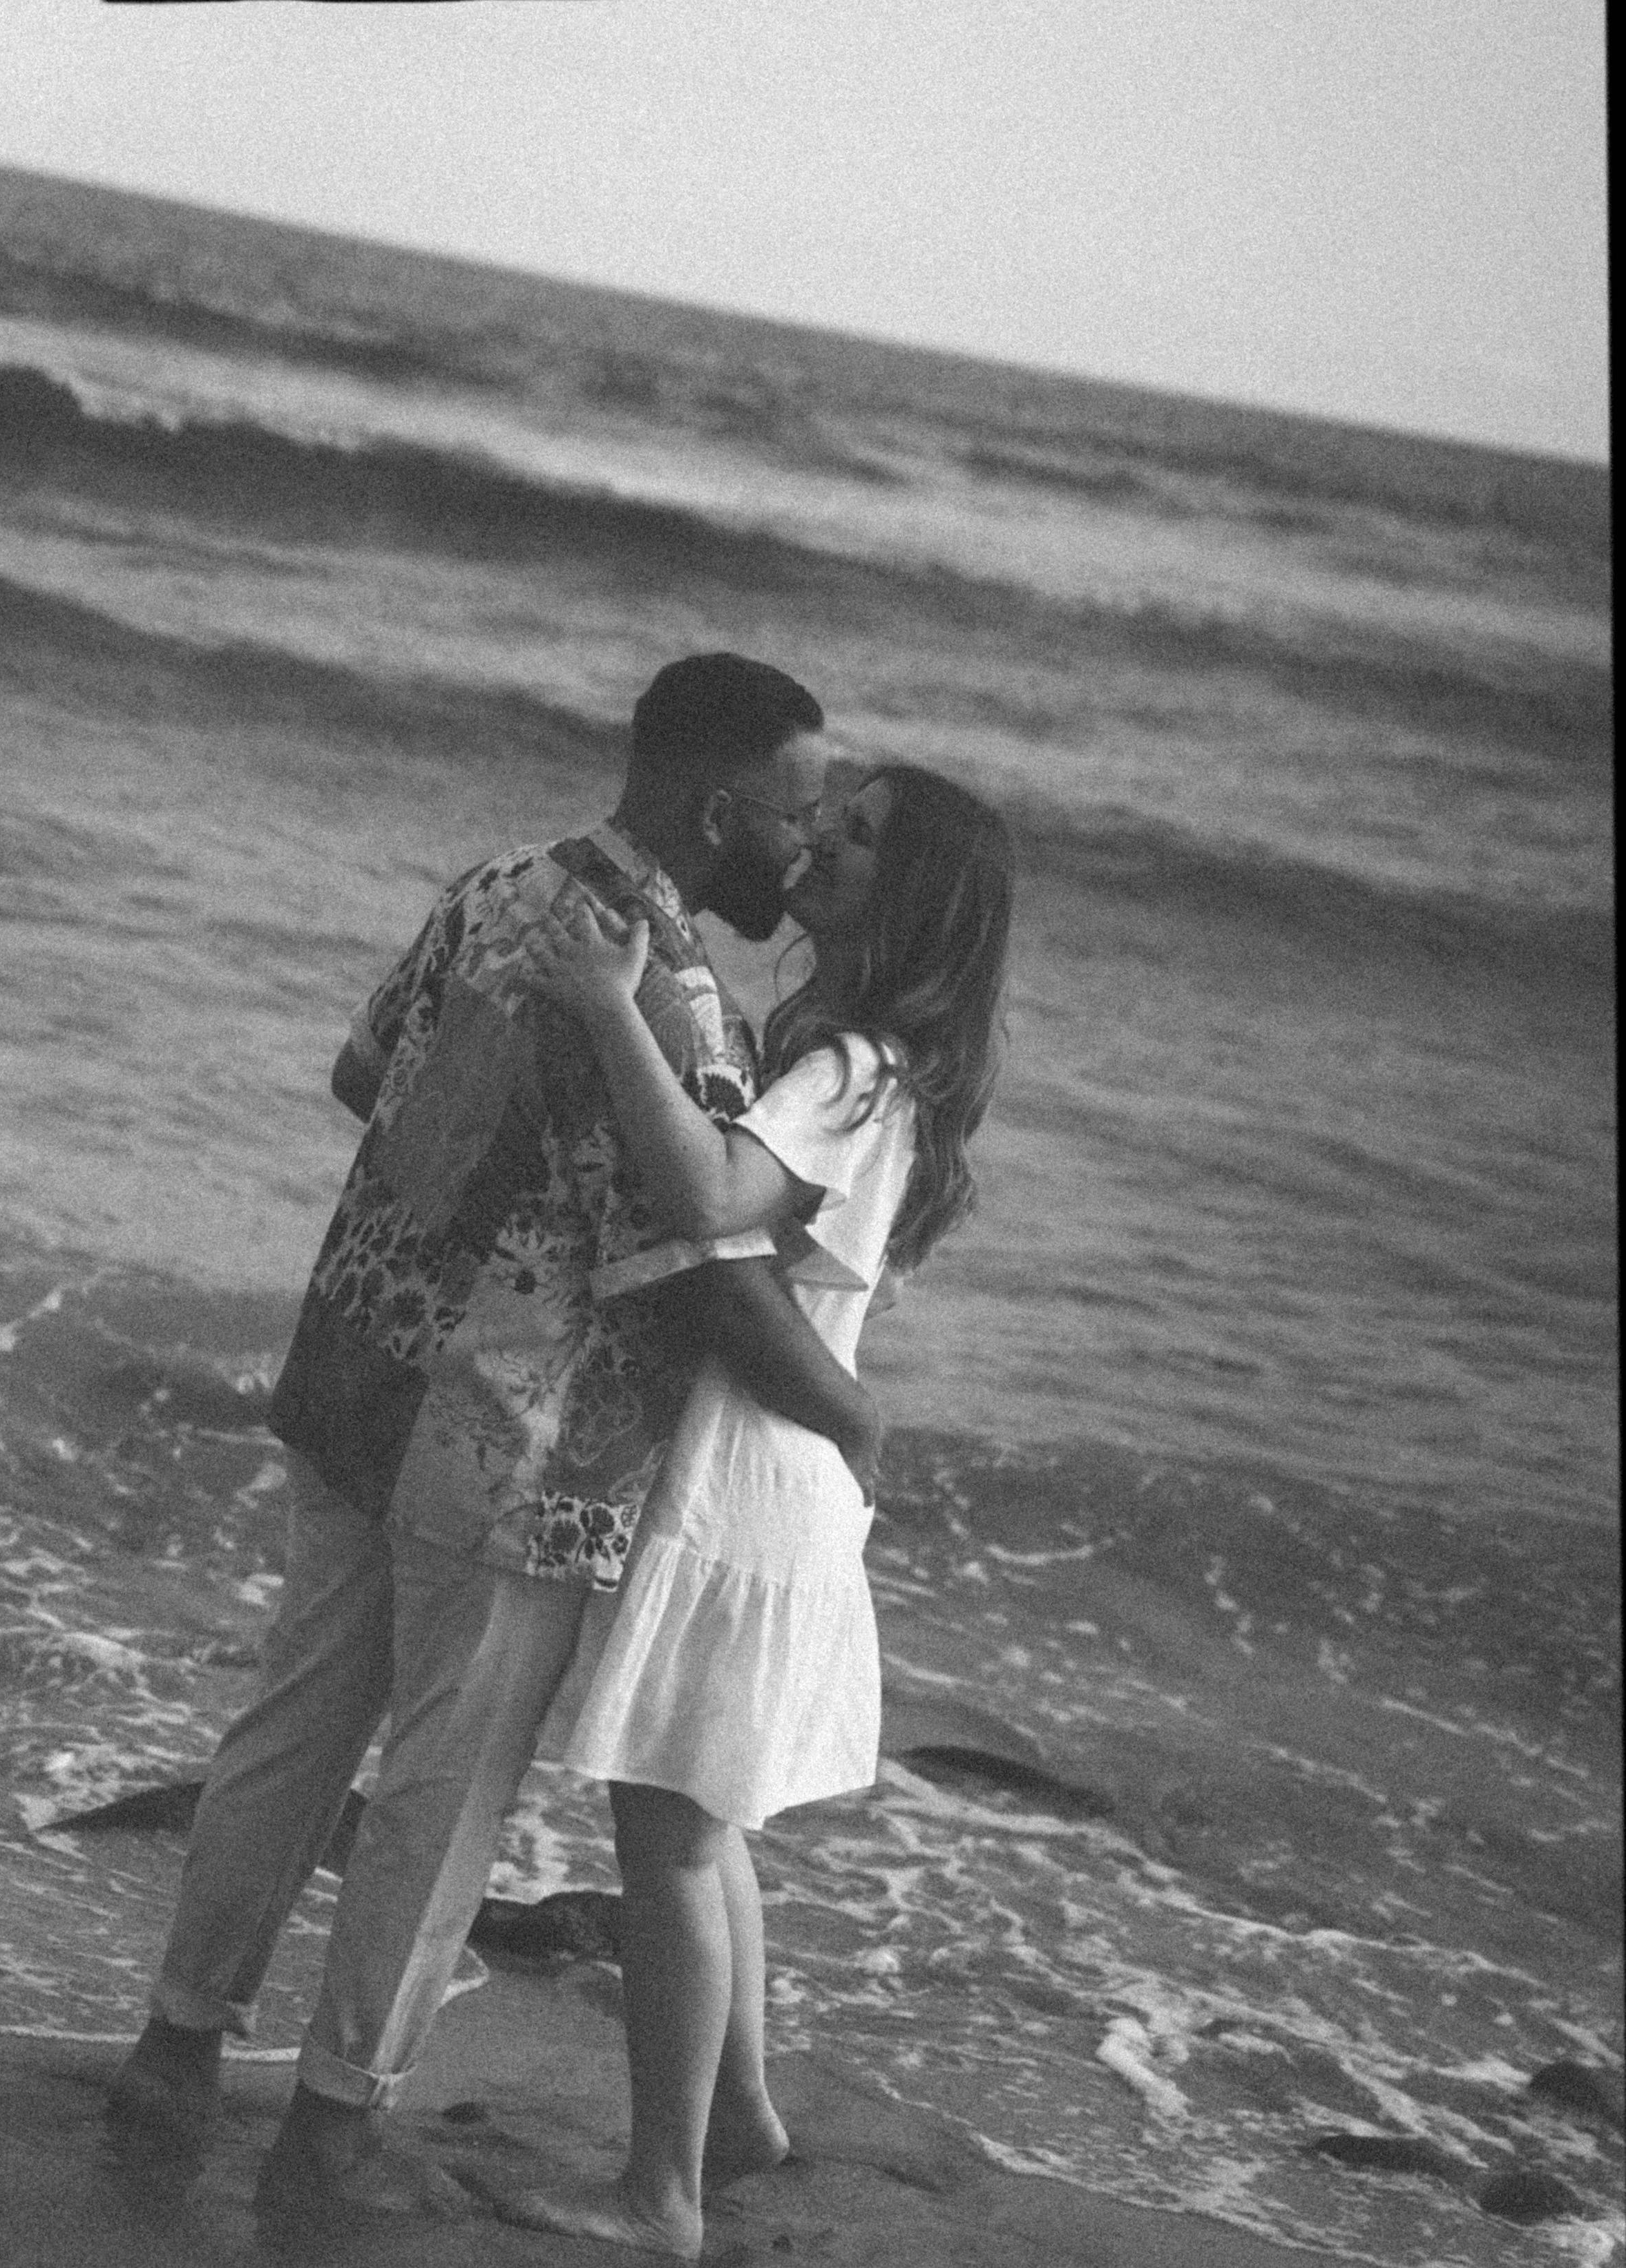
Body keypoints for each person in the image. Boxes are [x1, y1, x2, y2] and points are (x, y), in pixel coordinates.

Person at [106, 654, 885, 2225]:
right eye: (794, 817)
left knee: (290, 1729)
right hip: (513, 1455)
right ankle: (330, 2122)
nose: (801, 855)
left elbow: (360, 1067)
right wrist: (854, 1416)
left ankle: (173, 2049)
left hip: (356, 1375)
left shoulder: (496, 885)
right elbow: (709, 1277)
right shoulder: (679, 1003)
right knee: (439, 1798)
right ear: (719, 806)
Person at [504, 762, 1014, 2258]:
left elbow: (711, 1193)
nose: (817, 845)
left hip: (749, 1471)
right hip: (779, 1472)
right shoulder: (862, 1061)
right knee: (698, 1811)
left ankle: (659, 2194)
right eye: (828, 817)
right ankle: (734, 2118)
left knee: (661, 1824)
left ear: (909, 899)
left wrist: (608, 1010)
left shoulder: (848, 1064)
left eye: (855, 839)